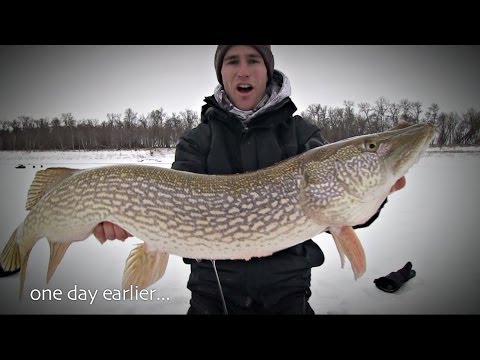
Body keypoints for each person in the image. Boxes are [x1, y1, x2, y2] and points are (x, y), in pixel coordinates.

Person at [0, 45, 406, 313]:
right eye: (233, 60)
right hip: (212, 296)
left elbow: (347, 212)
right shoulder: (198, 139)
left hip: (289, 293)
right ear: (222, 72)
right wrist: (128, 223)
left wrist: (378, 191)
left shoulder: (302, 136)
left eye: (254, 59)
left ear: (268, 70)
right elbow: (165, 212)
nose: (244, 69)